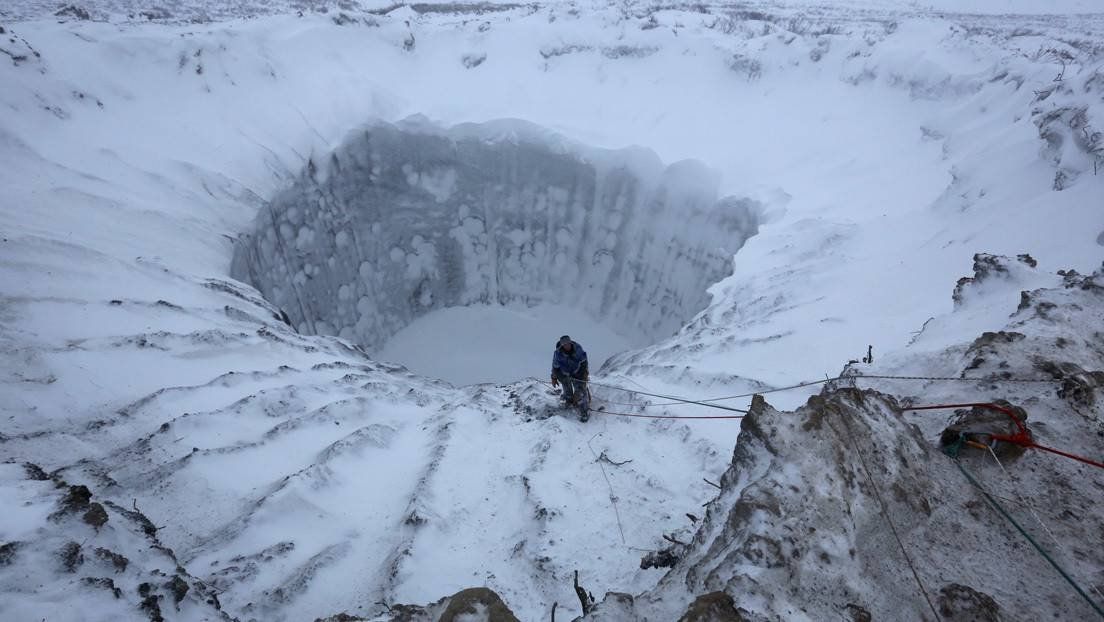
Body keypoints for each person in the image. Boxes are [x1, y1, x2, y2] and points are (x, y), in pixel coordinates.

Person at [551, 335, 589, 414]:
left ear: (570, 343)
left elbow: (584, 361)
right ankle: (569, 400)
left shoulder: (578, 349)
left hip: (578, 372)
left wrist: (584, 372)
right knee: (567, 389)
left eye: (568, 343)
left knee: (580, 390)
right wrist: (554, 378)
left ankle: (583, 409)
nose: (567, 346)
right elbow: (555, 367)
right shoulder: (558, 354)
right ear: (562, 345)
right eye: (564, 345)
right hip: (565, 374)